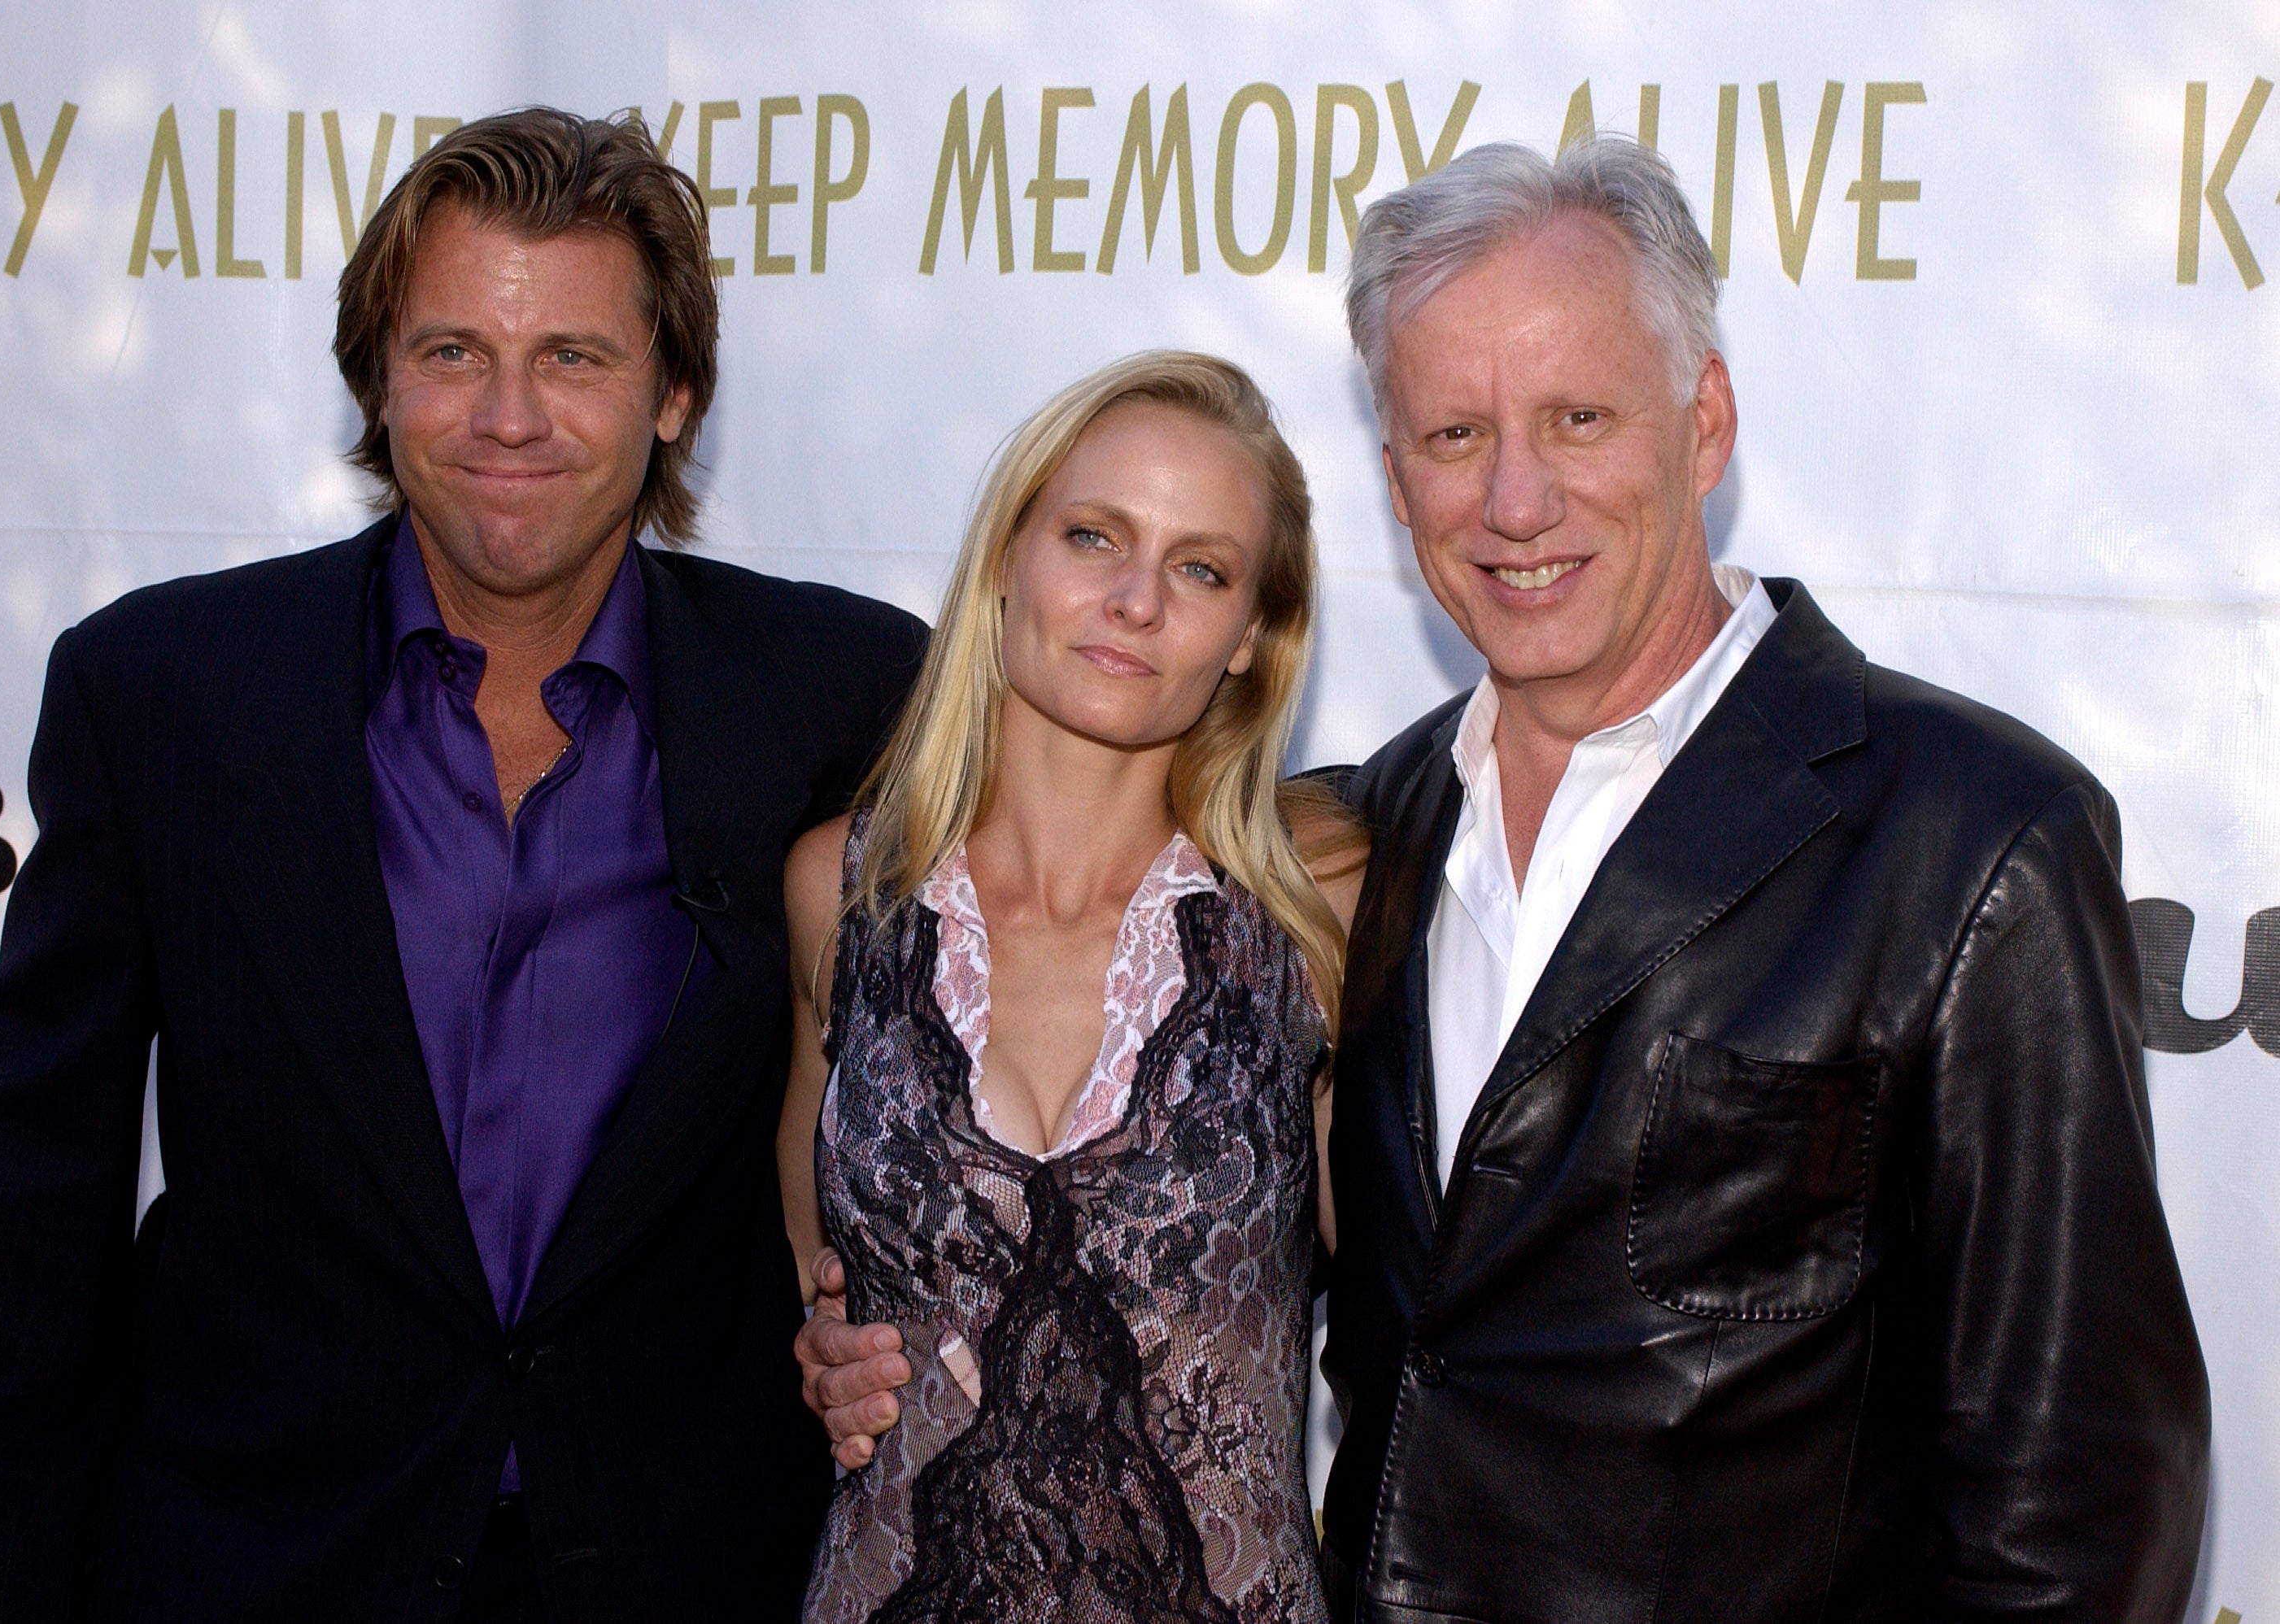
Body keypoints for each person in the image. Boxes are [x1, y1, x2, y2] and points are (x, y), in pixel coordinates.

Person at [800, 139, 2215, 1622]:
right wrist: (873, 1331)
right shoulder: (1350, 853)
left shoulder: (1973, 836)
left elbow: (2079, 1504)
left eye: (1578, 417)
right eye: (1456, 436)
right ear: (1396, 478)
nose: (1517, 501)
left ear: (1706, 419)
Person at [0, 107, 923, 1621]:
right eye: (452, 351)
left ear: (674, 396)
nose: (507, 415)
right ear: (378, 382)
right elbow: (22, 1244)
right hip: (254, 1572)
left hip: (691, 1573)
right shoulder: (165, 693)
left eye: (573, 357)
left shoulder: (842, 696)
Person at [778, 352, 1364, 1622]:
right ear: (1007, 558)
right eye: (1093, 535)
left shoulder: (1319, 920)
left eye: (1201, 568)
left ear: (1254, 637)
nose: (1136, 600)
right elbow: (821, 1286)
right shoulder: (843, 891)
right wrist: (830, 1355)